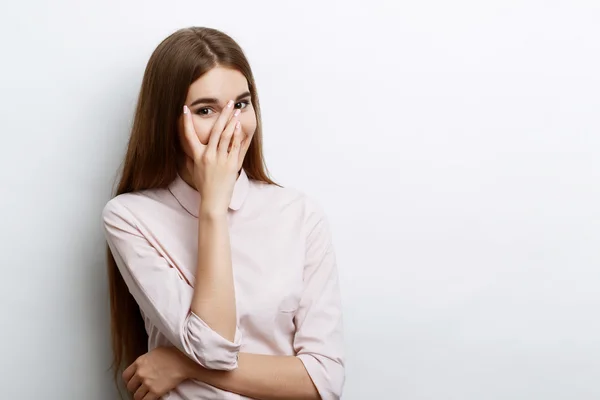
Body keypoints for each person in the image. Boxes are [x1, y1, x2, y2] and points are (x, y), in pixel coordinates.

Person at [101, 27, 345, 400]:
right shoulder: (130, 217)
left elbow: (323, 381)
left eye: (242, 104)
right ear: (169, 121)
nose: (231, 125)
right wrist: (213, 206)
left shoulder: (299, 214)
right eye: (205, 110)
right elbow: (213, 347)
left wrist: (182, 364)